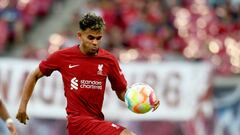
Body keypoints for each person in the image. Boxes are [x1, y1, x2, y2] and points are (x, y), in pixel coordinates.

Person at [16, 13, 160, 135]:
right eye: (90, 38)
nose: (95, 42)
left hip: (96, 121)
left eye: (99, 38)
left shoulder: (108, 60)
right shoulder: (63, 56)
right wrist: (23, 106)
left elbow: (122, 92)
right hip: (78, 123)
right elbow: (34, 75)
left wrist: (146, 100)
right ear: (80, 35)